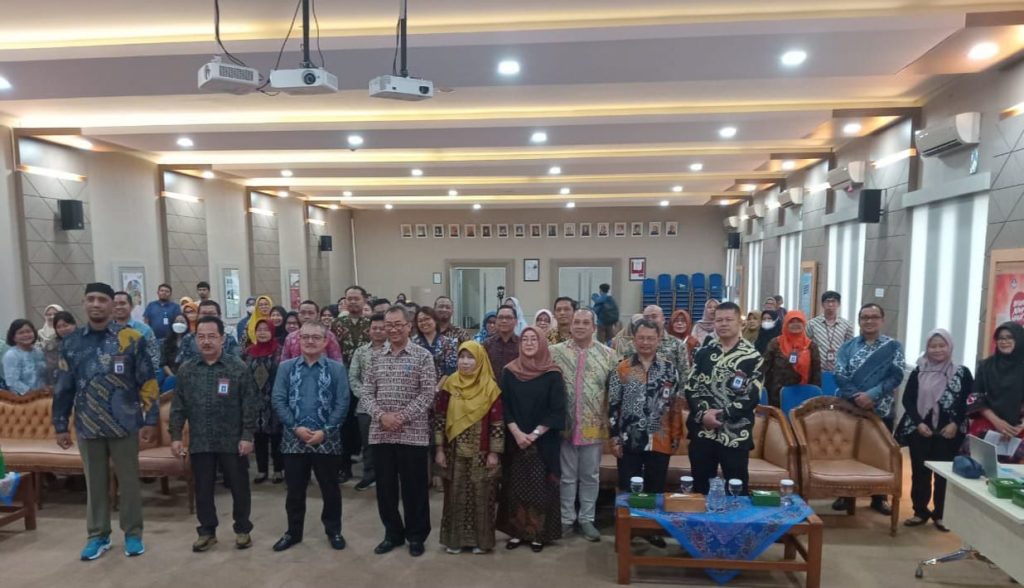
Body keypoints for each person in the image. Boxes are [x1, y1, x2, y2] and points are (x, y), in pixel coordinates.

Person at [53, 282, 159, 560]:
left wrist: (151, 419)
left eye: (102, 299)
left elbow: (147, 380)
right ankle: (98, 535)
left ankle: (133, 534)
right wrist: (60, 424)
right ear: (84, 303)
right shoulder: (71, 342)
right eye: (91, 299)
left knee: (129, 482)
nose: (96, 304)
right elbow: (63, 387)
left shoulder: (131, 338)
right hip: (88, 424)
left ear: (113, 304)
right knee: (95, 483)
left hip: (124, 423)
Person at [170, 316, 258, 552]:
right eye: (201, 337)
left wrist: (247, 435)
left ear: (222, 338)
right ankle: (207, 531)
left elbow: (250, 404)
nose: (206, 341)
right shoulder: (187, 370)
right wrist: (176, 436)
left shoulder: (237, 367)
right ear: (195, 339)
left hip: (233, 440)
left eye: (212, 336)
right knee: (203, 489)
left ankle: (243, 529)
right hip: (201, 440)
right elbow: (178, 406)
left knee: (239, 487)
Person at [363, 306, 437, 557]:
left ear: (409, 326)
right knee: (385, 489)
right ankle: (392, 534)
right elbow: (366, 393)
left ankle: (416, 536)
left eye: (398, 324)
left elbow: (427, 394)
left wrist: (401, 417)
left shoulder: (422, 356)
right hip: (381, 433)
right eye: (389, 325)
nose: (393, 329)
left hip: (412, 434)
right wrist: (382, 416)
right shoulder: (375, 356)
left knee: (414, 488)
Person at [270, 322, 350, 552]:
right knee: (295, 491)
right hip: (293, 439)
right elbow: (278, 399)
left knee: (330, 490)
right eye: (305, 337)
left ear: (325, 342)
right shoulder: (286, 367)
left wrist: (326, 430)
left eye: (316, 337)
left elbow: (342, 402)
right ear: (298, 340)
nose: (310, 341)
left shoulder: (336, 369)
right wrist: (295, 427)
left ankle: (333, 530)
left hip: (327, 439)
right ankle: (293, 532)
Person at [608, 319, 681, 548]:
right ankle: (628, 530)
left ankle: (652, 530)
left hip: (660, 438)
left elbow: (676, 405)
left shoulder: (669, 369)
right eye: (641, 338)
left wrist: (676, 435)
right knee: (628, 486)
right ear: (634, 340)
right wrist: (614, 437)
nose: (646, 342)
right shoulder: (622, 368)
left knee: (655, 488)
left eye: (651, 338)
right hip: (629, 438)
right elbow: (613, 405)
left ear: (658, 340)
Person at [550, 309, 617, 542]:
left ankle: (587, 519)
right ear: (570, 326)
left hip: (593, 425)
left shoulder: (608, 355)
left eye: (585, 322)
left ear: (594, 327)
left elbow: (614, 393)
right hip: (565, 425)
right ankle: (566, 519)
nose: (580, 326)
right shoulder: (555, 352)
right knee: (566, 476)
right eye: (576, 322)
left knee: (590, 475)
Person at [895, 329, 972, 531]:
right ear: (927, 348)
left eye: (941, 345)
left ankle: (941, 514)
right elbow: (908, 400)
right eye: (933, 346)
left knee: (944, 475)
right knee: (920, 473)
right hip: (921, 430)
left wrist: (955, 424)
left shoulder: (961, 372)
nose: (937, 350)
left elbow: (968, 402)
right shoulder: (919, 370)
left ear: (949, 347)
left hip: (949, 432)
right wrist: (919, 423)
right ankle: (920, 511)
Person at [497, 327, 565, 552]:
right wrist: (517, 433)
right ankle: (517, 532)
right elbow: (504, 406)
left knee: (539, 489)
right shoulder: (509, 371)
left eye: (533, 339)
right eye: (524, 339)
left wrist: (534, 434)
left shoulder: (553, 373)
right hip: (515, 440)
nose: (528, 343)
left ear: (542, 342)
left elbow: (557, 410)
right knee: (515, 488)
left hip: (542, 442)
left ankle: (538, 534)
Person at [832, 303, 905, 514]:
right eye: (865, 317)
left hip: (881, 409)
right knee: (847, 451)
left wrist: (871, 395)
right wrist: (858, 397)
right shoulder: (847, 347)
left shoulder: (893, 347)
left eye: (874, 317)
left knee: (879, 453)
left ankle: (879, 497)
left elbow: (897, 375)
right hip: (850, 408)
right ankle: (845, 494)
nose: (869, 321)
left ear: (882, 320)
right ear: (859, 321)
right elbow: (839, 375)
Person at [684, 301, 763, 495]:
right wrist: (703, 415)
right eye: (719, 320)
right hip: (703, 431)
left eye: (729, 319)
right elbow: (690, 387)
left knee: (736, 489)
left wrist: (722, 415)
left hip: (735, 433)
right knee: (700, 488)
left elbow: (752, 395)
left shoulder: (753, 357)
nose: (723, 324)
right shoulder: (703, 353)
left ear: (740, 323)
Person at [434, 341, 504, 554]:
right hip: (453, 452)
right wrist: (439, 449)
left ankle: (480, 542)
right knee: (454, 495)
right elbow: (440, 418)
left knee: (481, 496)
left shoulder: (490, 387)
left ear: (480, 360)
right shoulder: (450, 384)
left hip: (482, 453)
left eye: (470, 357)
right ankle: (454, 541)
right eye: (461, 357)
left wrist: (494, 452)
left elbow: (497, 423)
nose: (465, 362)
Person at [965, 322, 1024, 463]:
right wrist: (997, 422)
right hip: (987, 426)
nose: (1004, 341)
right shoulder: (986, 365)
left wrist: (1021, 426)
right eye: (1000, 338)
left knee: (1014, 474)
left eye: (1009, 337)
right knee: (978, 471)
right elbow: (975, 397)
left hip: (1019, 430)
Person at [330, 287, 371, 483]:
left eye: (356, 298)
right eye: (349, 299)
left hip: (367, 380)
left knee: (366, 424)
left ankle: (369, 470)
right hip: (342, 379)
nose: (353, 302)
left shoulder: (371, 324)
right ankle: (343, 467)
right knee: (344, 423)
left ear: (364, 301)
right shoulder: (336, 324)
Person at [348, 312, 388, 491]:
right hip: (365, 407)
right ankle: (369, 475)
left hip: (389, 407)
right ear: (369, 330)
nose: (378, 331)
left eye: (382, 328)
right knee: (368, 444)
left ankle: (388, 476)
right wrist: (367, 397)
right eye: (374, 328)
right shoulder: (360, 351)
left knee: (388, 444)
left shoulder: (394, 350)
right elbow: (353, 377)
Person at [244, 319, 284, 484]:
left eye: (266, 329)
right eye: (259, 329)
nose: (262, 333)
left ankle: (278, 469)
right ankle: (262, 470)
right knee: (259, 437)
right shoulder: (248, 352)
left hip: (274, 400)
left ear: (272, 332)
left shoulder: (280, 351)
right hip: (254, 401)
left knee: (276, 437)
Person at [613, 306, 691, 383]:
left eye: (654, 316)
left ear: (663, 319)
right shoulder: (631, 345)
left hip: (666, 388)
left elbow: (684, 374)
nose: (650, 320)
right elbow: (621, 371)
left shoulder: (677, 344)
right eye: (646, 317)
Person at [761, 311, 822, 407]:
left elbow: (816, 372)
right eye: (791, 322)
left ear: (804, 324)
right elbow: (765, 369)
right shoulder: (775, 343)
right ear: (785, 324)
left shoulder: (811, 346)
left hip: (804, 394)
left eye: (799, 321)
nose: (795, 324)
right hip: (777, 395)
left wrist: (814, 394)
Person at [113, 291, 162, 387]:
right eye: (114, 304)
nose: (118, 307)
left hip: (139, 384)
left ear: (131, 306)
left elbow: (154, 358)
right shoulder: (105, 331)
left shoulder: (144, 330)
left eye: (122, 303)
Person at [176, 301, 241, 365]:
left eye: (211, 313)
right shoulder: (188, 339)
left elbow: (236, 362)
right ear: (198, 316)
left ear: (219, 316)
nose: (207, 317)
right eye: (204, 313)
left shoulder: (229, 339)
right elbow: (182, 363)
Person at [806, 291, 855, 373]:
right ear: (822, 304)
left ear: (839, 304)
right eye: (827, 301)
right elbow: (806, 343)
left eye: (833, 301)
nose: (830, 304)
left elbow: (850, 347)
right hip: (817, 368)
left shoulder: (847, 325)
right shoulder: (812, 324)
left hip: (839, 369)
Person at [413, 307, 459, 389]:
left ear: (435, 320)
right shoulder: (413, 343)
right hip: (418, 388)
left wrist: (437, 388)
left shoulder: (448, 342)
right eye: (420, 321)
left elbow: (451, 369)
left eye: (427, 319)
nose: (424, 323)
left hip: (443, 388)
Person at [4, 319, 45, 394]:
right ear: (13, 337)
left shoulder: (39, 352)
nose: (26, 335)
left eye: (28, 331)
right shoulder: (11, 355)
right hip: (23, 398)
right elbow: (12, 382)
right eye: (21, 333)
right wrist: (32, 393)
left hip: (43, 395)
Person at [484, 305, 521, 376]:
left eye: (508, 317)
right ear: (496, 321)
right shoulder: (487, 344)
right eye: (500, 317)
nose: (504, 321)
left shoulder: (522, 344)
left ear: (516, 321)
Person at [43, 311, 77, 386]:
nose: (62, 329)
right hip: (60, 385)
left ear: (74, 324)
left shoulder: (84, 341)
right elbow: (51, 370)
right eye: (58, 327)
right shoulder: (51, 346)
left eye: (65, 325)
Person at [160, 315, 188, 393]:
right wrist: (172, 376)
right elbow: (163, 363)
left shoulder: (191, 341)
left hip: (187, 375)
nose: (179, 324)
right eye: (177, 322)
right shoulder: (166, 342)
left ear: (187, 325)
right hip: (171, 374)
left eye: (182, 322)